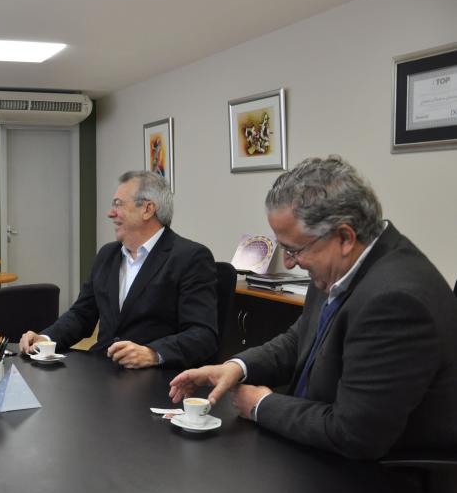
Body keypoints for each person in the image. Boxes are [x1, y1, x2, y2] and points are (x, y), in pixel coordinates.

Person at [169, 155, 457, 459]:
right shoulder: (340, 268)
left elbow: (354, 435)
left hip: (381, 486)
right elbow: (298, 341)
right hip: (315, 443)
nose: (290, 262)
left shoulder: (396, 302)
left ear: (344, 237)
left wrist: (261, 405)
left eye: (294, 250)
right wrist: (235, 368)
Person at [20, 171, 218, 369]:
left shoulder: (190, 258)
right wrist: (46, 338)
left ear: (147, 209)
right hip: (101, 373)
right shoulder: (107, 255)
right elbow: (82, 314)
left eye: (118, 204)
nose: (110, 213)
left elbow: (202, 335)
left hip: (156, 379)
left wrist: (153, 353)